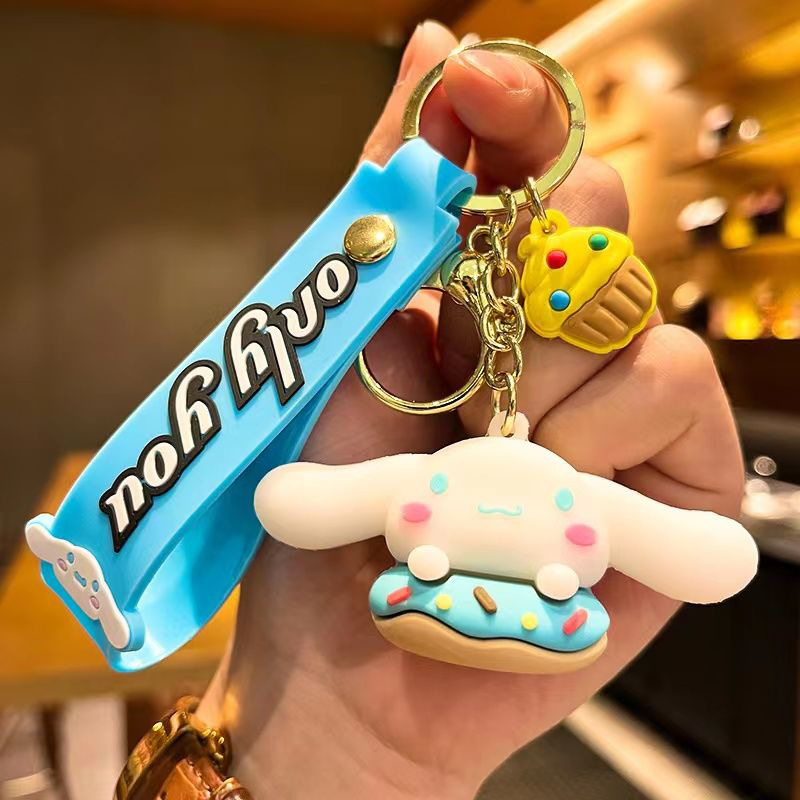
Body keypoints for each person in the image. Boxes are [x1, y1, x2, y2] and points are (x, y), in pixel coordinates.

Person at [198, 21, 744, 799]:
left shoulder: (463, 486)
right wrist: (300, 750)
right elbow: (301, 502)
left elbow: (705, 556)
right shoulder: (444, 488)